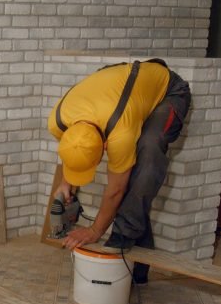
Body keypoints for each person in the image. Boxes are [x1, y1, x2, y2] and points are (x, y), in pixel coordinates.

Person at [48, 58, 191, 282]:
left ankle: (122, 237)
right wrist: (66, 182)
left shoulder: (119, 134)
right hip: (121, 86)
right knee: (135, 183)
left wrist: (95, 230)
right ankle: (137, 272)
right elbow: (73, 144)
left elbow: (116, 190)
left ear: (105, 146)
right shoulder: (58, 121)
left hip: (167, 91)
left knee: (148, 156)